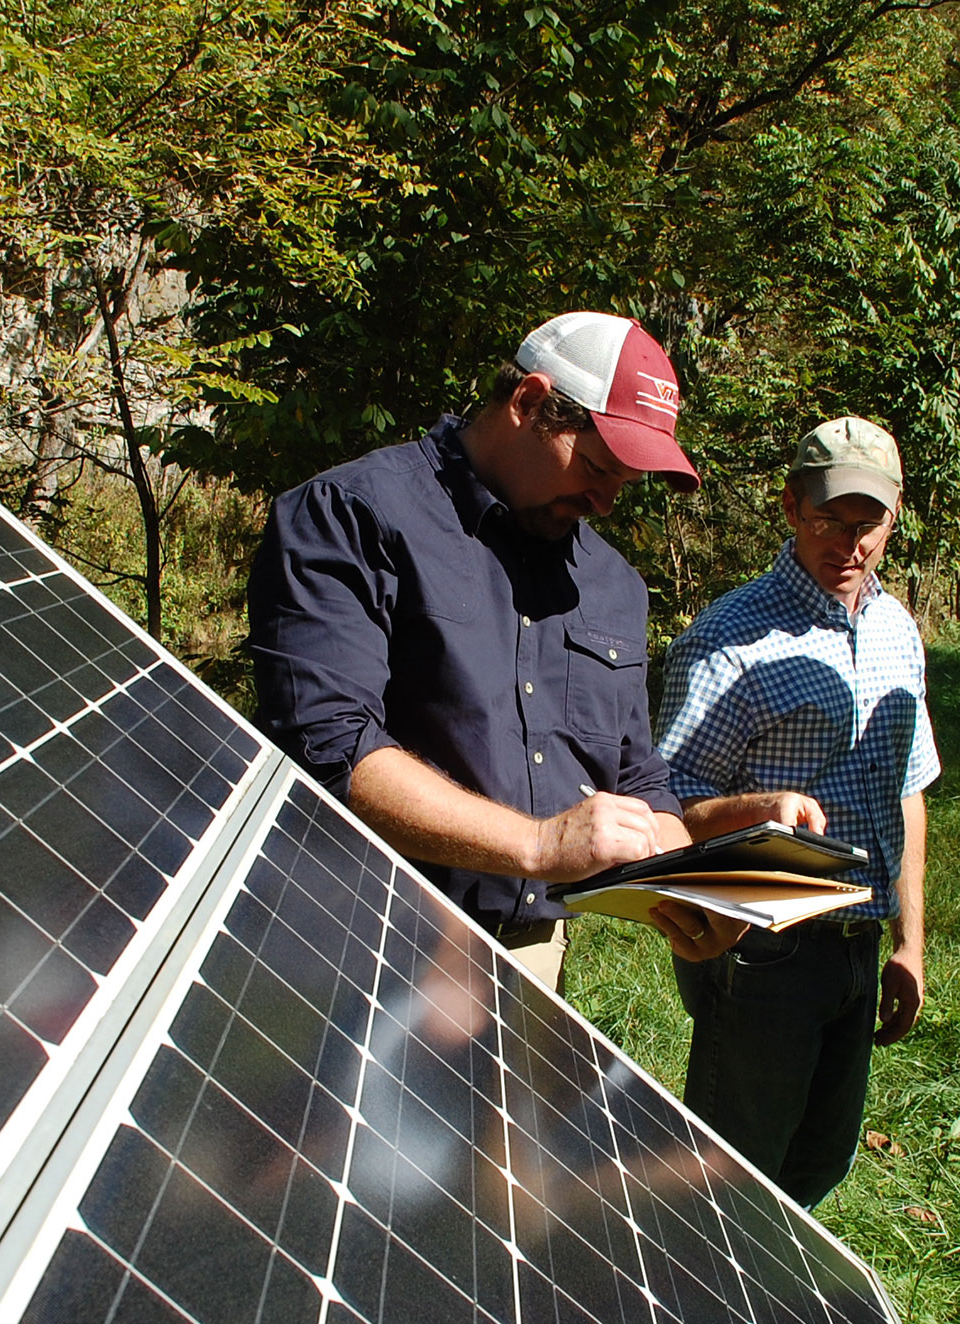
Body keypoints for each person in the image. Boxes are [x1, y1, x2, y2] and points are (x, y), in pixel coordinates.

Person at [246, 311, 744, 991]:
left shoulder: (614, 587)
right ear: (529, 402)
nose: (604, 501)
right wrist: (539, 846)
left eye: (625, 485)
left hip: (532, 957)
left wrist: (686, 883)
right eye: (597, 466)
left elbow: (637, 776)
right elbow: (328, 749)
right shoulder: (353, 515)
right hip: (359, 937)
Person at [652, 417, 940, 1208]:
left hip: (859, 942)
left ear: (895, 516)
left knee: (817, 1167)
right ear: (788, 506)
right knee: (730, 1182)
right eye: (825, 520)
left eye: (866, 524)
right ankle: (692, 1319)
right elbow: (664, 811)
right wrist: (759, 808)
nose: (846, 544)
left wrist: (909, 943)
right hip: (761, 948)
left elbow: (907, 789)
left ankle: (770, 1323)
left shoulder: (896, 630)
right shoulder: (727, 641)